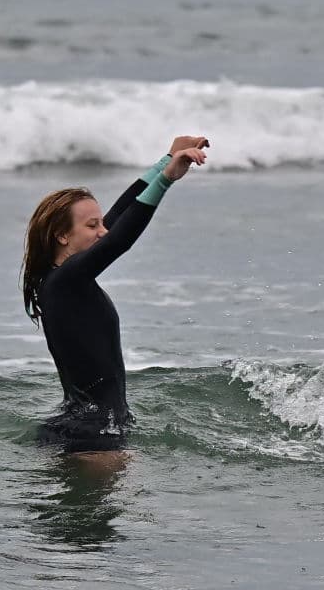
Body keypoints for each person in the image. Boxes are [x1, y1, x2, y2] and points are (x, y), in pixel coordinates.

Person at [21, 136, 208, 453]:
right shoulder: (65, 282)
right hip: (94, 435)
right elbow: (118, 240)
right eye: (92, 224)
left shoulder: (63, 280)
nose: (102, 229)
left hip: (90, 423)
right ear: (63, 236)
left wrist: (166, 159)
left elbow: (119, 217)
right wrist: (166, 180)